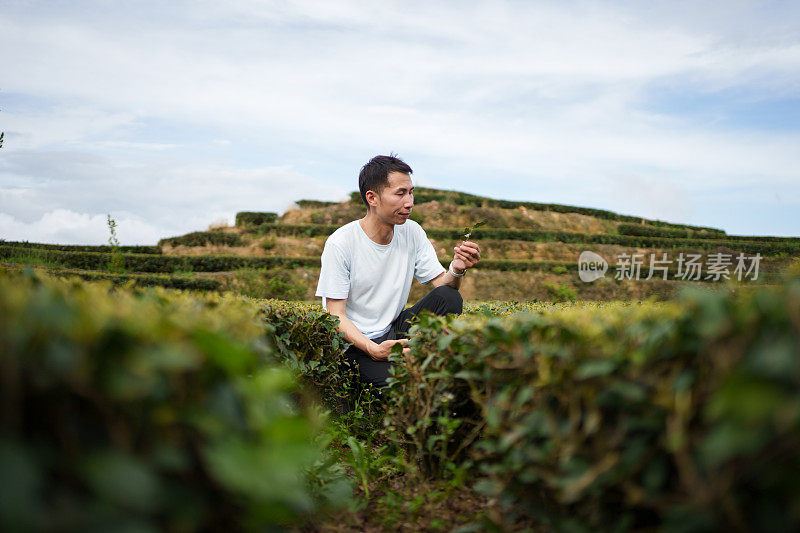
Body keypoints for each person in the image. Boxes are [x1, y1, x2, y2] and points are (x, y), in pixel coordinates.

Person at [315, 154, 481, 389]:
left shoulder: (411, 231)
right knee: (404, 384)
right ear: (372, 198)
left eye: (411, 192)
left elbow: (443, 287)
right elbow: (335, 315)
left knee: (448, 296)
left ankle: (425, 357)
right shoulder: (341, 243)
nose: (410, 202)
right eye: (400, 193)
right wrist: (373, 349)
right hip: (355, 344)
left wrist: (456, 269)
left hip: (393, 330)